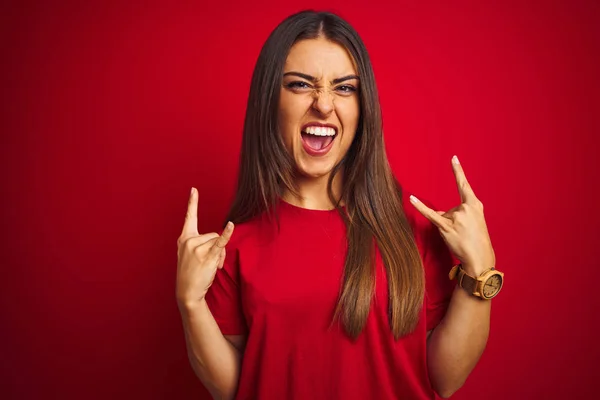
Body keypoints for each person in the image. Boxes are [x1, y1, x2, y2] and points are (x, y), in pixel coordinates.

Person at [175, 10, 502, 400]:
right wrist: (190, 302)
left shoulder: (415, 227)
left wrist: (481, 269)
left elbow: (445, 379)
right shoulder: (233, 247)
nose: (324, 105)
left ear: (363, 108)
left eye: (344, 88)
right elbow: (234, 388)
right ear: (269, 99)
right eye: (300, 85)